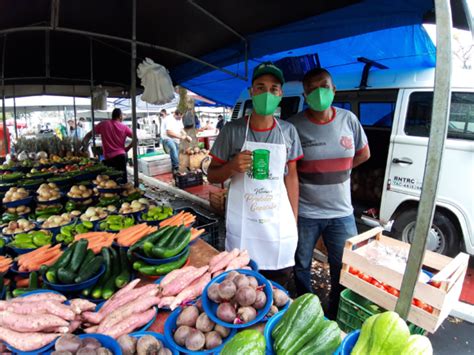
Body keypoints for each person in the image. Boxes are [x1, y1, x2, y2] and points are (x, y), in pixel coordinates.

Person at [207, 62, 303, 287]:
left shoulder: (288, 131)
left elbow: (292, 177)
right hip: (245, 226)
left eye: (273, 89)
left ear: (280, 94)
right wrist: (231, 167)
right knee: (242, 285)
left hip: (278, 225)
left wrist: (293, 220)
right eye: (260, 87)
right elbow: (212, 176)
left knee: (278, 286)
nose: (267, 94)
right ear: (251, 92)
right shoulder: (233, 130)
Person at [288, 68, 370, 319]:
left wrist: (341, 171)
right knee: (300, 264)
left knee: (344, 266)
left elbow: (363, 154)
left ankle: (335, 311)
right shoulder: (295, 125)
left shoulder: (349, 120)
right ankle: (306, 308)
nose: (319, 92)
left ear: (334, 90)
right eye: (312, 89)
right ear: (305, 94)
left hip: (342, 212)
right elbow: (289, 169)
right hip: (306, 211)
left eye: (324, 86)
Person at [81, 108, 134, 183]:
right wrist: (127, 149)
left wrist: (84, 146)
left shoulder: (103, 124)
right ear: (120, 116)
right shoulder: (125, 127)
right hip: (121, 157)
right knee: (122, 180)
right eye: (122, 115)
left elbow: (89, 135)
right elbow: (136, 139)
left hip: (109, 158)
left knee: (110, 182)